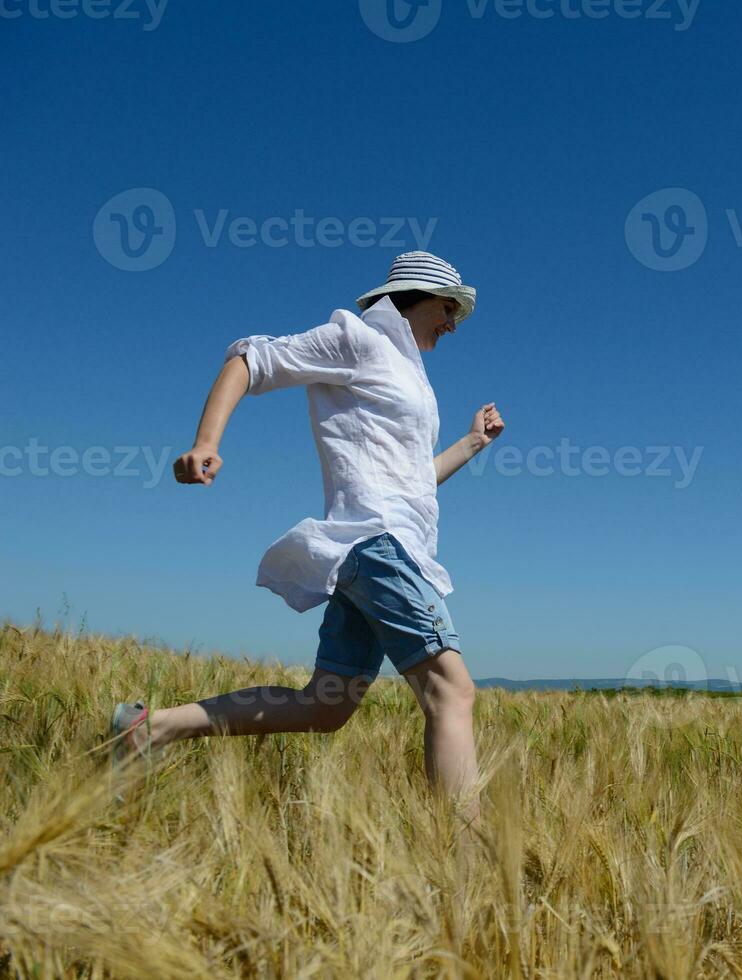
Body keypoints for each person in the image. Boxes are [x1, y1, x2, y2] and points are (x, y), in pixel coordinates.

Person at [109, 251, 504, 827]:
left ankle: (150, 729)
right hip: (377, 542)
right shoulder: (359, 340)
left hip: (385, 546)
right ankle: (465, 863)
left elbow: (415, 480)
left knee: (326, 705)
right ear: (418, 298)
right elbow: (251, 358)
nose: (453, 324)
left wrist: (472, 443)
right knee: (452, 691)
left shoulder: (406, 370)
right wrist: (206, 441)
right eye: (450, 309)